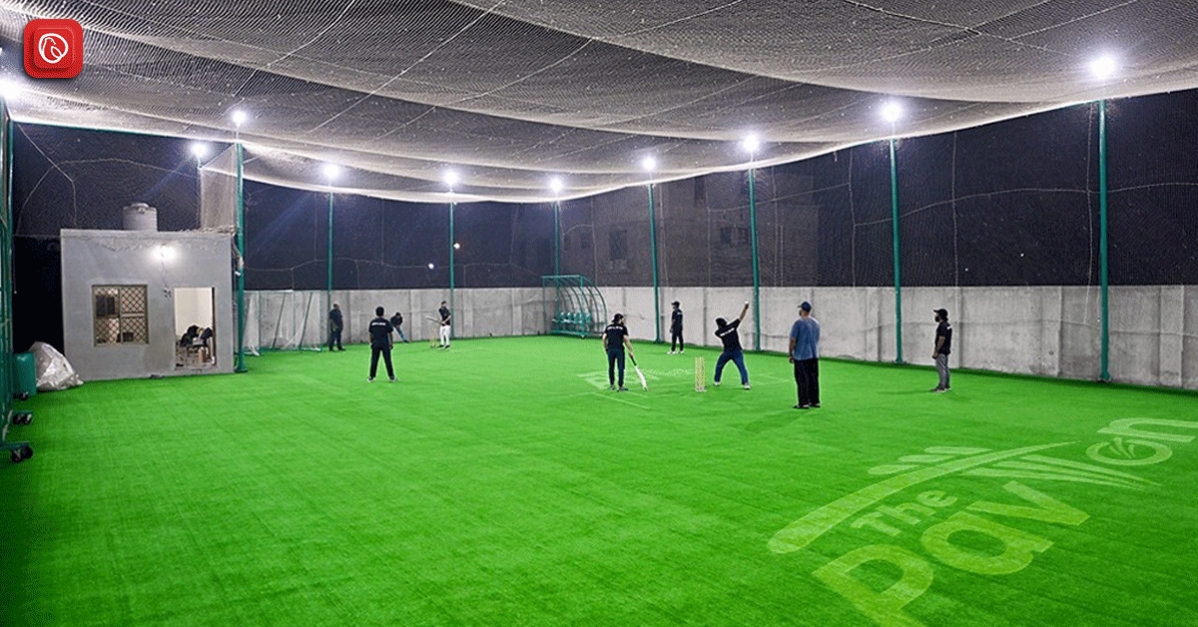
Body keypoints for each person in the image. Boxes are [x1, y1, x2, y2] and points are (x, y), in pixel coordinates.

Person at [788, 301, 821, 409]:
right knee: (813, 379)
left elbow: (793, 340)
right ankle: (814, 400)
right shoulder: (816, 323)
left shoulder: (798, 324)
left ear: (802, 311)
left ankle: (803, 402)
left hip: (801, 356)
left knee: (802, 379)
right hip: (814, 355)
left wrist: (790, 353)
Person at [713, 301, 751, 389]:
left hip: (727, 352)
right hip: (737, 351)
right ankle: (746, 383)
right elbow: (741, 317)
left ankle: (717, 381)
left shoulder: (718, 332)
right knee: (741, 367)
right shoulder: (733, 326)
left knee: (719, 366)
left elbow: (725, 340)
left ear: (718, 325)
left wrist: (724, 349)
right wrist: (745, 308)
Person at [602, 313, 636, 391]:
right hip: (619, 349)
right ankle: (620, 386)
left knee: (611, 367)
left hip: (610, 349)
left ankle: (612, 385)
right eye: (622, 319)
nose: (623, 321)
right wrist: (630, 351)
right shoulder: (622, 328)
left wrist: (606, 347)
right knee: (620, 367)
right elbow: (626, 340)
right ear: (619, 319)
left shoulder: (608, 327)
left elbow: (604, 338)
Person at [368, 306, 396, 382]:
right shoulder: (386, 322)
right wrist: (391, 342)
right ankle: (391, 377)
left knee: (374, 360)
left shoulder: (373, 322)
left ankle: (371, 377)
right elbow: (390, 333)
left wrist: (370, 342)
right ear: (383, 313)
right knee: (387, 360)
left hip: (375, 343)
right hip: (384, 343)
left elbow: (370, 333)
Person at [932, 308, 953, 392]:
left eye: (937, 314)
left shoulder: (942, 326)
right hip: (946, 349)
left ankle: (942, 386)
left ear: (940, 316)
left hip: (942, 350)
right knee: (945, 367)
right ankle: (946, 385)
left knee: (941, 368)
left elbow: (941, 338)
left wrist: (936, 351)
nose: (935, 316)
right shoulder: (947, 325)